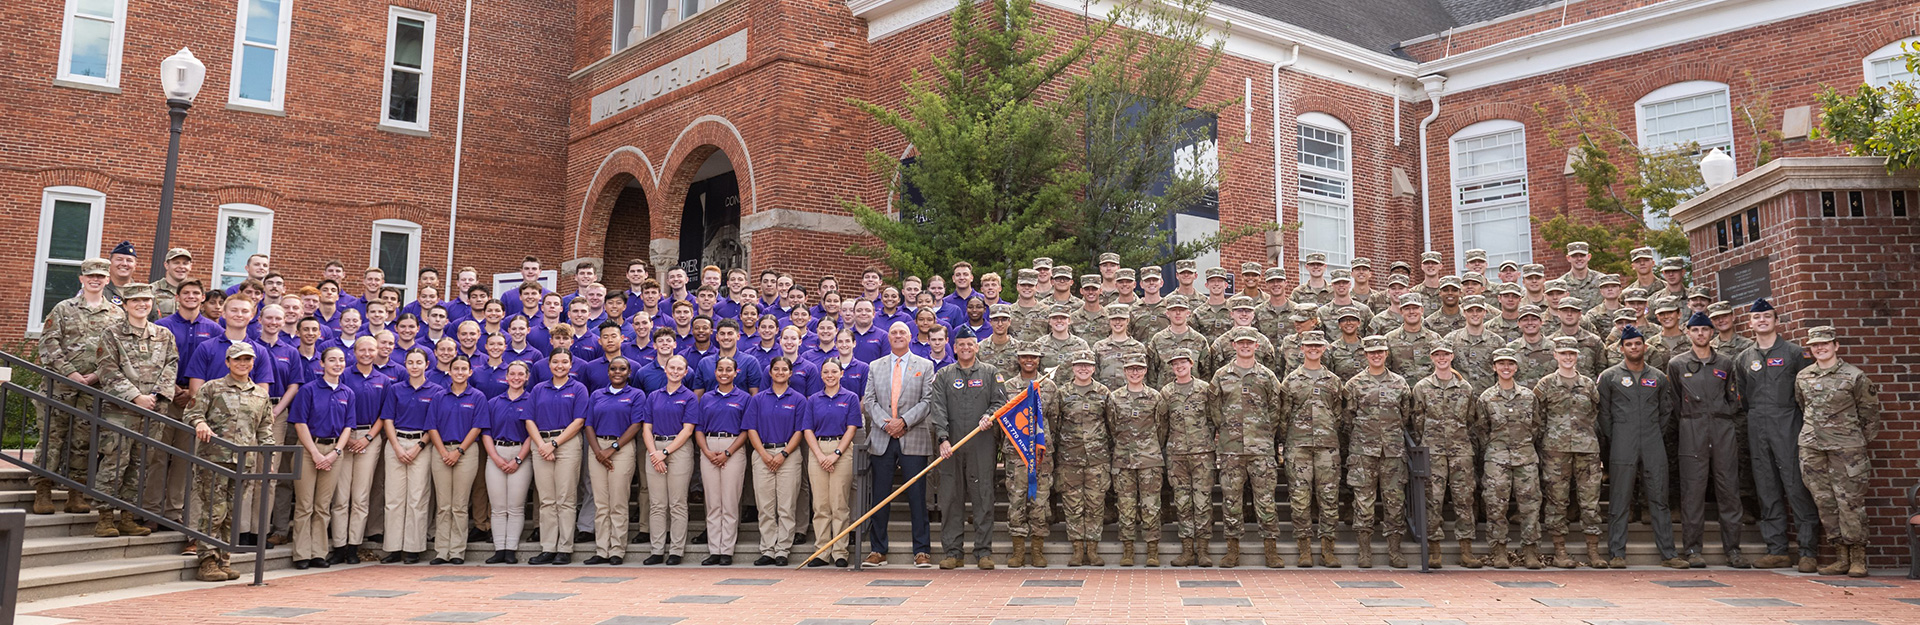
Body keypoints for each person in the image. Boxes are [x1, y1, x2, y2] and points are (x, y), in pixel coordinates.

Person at [1734, 298, 1819, 571]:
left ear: (1776, 321)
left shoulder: (1795, 353)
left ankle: (1807, 551)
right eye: (1757, 317)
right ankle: (1777, 549)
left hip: (1788, 423)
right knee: (1767, 488)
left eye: (1767, 316)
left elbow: (1807, 393)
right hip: (1757, 424)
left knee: (1796, 487)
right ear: (1750, 323)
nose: (1762, 321)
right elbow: (1743, 396)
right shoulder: (1744, 358)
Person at [1596, 326, 1689, 569]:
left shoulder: (1657, 377)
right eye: (1629, 344)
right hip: (1622, 442)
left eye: (1638, 343)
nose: (1634, 348)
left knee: (1659, 498)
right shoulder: (1610, 377)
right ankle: (1617, 553)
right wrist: (1616, 436)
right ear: (1621, 348)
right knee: (1619, 499)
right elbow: (1603, 415)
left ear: (1645, 346)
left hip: (1652, 441)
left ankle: (1669, 554)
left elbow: (1665, 411)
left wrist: (1651, 433)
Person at [34, 258, 121, 515]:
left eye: (101, 276)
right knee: (51, 437)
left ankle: (76, 493)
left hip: (93, 388)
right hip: (59, 386)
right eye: (90, 275)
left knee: (83, 442)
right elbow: (48, 344)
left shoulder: (116, 314)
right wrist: (70, 372)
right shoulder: (63, 309)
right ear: (81, 279)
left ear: (107, 280)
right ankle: (42, 490)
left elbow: (117, 353)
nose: (95, 279)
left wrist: (96, 375)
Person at [1794, 326, 1880, 578]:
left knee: (1850, 502)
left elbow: (1870, 414)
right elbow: (1802, 405)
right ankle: (1840, 556)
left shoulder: (1855, 376)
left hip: (1847, 449)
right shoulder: (1803, 376)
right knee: (1824, 501)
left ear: (1836, 345)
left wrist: (1854, 440)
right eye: (1815, 345)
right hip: (1812, 447)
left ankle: (1857, 557)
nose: (1820, 348)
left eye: (1825, 344)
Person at [185, 343, 274, 581]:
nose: (242, 364)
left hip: (244, 461)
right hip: (213, 459)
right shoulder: (211, 388)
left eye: (247, 360)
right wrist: (200, 423)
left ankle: (224, 560)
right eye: (237, 360)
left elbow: (265, 429)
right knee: (214, 510)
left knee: (233, 513)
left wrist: (269, 455)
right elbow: (192, 413)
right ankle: (207, 561)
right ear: (227, 362)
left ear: (253, 363)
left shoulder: (260, 394)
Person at [1667, 311, 1748, 568]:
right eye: (1695, 330)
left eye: (1705, 329)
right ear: (1688, 333)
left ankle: (1733, 549)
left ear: (1712, 333)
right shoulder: (1677, 364)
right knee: (1693, 491)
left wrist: (1721, 419)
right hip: (1692, 428)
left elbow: (1733, 398)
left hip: (1722, 429)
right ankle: (1692, 549)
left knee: (1729, 489)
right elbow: (1674, 402)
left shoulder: (1725, 363)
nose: (1700, 334)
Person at [92, 282, 171, 537]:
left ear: (152, 304)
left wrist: (156, 396)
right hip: (120, 410)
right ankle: (104, 518)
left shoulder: (163, 335)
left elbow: (171, 367)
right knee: (115, 462)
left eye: (146, 301)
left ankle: (127, 516)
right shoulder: (112, 333)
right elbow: (107, 369)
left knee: (141, 465)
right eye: (135, 301)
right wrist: (135, 396)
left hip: (152, 412)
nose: (141, 305)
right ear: (125, 305)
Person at [926, 325, 1007, 569]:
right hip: (951, 446)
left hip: (981, 444)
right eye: (961, 344)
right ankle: (953, 552)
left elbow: (1000, 402)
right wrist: (942, 438)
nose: (965, 348)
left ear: (977, 347)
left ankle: (983, 552)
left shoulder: (991, 373)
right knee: (951, 498)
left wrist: (990, 415)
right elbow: (937, 408)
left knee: (983, 496)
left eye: (970, 344)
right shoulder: (944, 375)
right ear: (954, 347)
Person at [859, 322, 937, 568]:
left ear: (910, 337)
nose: (898, 336)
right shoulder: (875, 366)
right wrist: (887, 424)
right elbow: (869, 400)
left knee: (917, 496)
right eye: (893, 332)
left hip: (913, 436)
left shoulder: (925, 366)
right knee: (880, 496)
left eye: (902, 332)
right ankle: (878, 549)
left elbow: (927, 401)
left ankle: (922, 550)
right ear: (888, 337)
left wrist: (903, 422)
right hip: (882, 439)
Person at [1211, 333, 1283, 568]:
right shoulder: (1221, 375)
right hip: (1231, 448)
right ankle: (1232, 550)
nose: (1244, 346)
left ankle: (1270, 550)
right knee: (1231, 500)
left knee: (1265, 499)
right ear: (1233, 345)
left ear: (1256, 346)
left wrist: (1262, 432)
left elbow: (1275, 409)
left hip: (1260, 447)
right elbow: (1215, 409)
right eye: (1240, 343)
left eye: (1249, 343)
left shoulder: (1267, 376)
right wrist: (1228, 430)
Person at [1409, 339, 1481, 568]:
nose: (1441, 358)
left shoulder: (1465, 388)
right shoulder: (1422, 387)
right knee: (1433, 499)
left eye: (1446, 355)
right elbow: (1417, 419)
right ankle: (1434, 549)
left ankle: (1466, 550)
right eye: (1437, 355)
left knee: (1464, 499)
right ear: (1431, 358)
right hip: (1434, 450)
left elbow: (1470, 419)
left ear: (1452, 357)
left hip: (1460, 450)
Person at [1535, 336, 1605, 568]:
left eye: (1572, 354)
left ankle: (1593, 551)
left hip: (1587, 449)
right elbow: (1537, 417)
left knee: (1590, 501)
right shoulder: (1545, 384)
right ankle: (1560, 551)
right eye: (1563, 353)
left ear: (1577, 356)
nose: (1567, 357)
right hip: (1555, 450)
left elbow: (1595, 413)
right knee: (1557, 500)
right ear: (1555, 355)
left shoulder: (1588, 384)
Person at [1344, 335, 1413, 568]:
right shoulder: (1354, 385)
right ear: (1365, 354)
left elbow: (1405, 415)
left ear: (1386, 354)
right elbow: (1348, 417)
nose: (1376, 355)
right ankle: (1365, 552)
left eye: (1380, 351)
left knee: (1395, 502)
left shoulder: (1400, 383)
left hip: (1392, 451)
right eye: (1372, 352)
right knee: (1363, 502)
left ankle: (1395, 550)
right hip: (1363, 451)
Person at [1279, 331, 1343, 568]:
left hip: (1327, 447)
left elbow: (1338, 413)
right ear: (1302, 349)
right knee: (1299, 499)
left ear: (1324, 349)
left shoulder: (1333, 381)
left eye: (1318, 346)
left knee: (1329, 499)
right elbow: (1283, 415)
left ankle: (1328, 549)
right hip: (1299, 447)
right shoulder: (1291, 381)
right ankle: (1304, 548)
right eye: (1309, 346)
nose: (1313, 349)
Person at [287, 346, 352, 569]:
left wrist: (335, 453)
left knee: (323, 506)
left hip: (334, 452)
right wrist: (314, 453)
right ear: (322, 364)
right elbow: (299, 422)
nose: (337, 364)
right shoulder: (309, 390)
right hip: (308, 450)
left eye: (341, 360)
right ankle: (301, 553)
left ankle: (318, 553)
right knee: (305, 505)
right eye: (332, 360)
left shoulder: (347, 393)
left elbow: (348, 427)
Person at [1479, 347, 1543, 569]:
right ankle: (1499, 550)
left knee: (1530, 505)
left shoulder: (1528, 396)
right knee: (1496, 504)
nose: (1506, 368)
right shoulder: (1486, 398)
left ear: (1516, 367)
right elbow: (1481, 428)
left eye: (1510, 363)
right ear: (1494, 367)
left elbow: (1536, 425)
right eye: (1501, 363)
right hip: (1497, 458)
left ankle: (1531, 550)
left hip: (1525, 457)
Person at [377, 349, 442, 563]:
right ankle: (394, 547)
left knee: (417, 497)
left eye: (419, 362)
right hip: (396, 442)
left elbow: (434, 424)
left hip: (421, 445)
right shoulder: (396, 389)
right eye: (411, 362)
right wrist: (396, 446)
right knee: (394, 498)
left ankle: (413, 548)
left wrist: (418, 447)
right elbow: (387, 419)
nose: (415, 366)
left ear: (427, 365)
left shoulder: (436, 391)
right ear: (405, 364)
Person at [527, 352, 588, 565]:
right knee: (546, 500)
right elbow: (529, 420)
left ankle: (564, 547)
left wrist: (555, 444)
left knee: (565, 498)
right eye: (555, 362)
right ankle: (548, 547)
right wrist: (543, 445)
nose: (559, 366)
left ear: (571, 364)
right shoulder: (538, 389)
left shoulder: (578, 389)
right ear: (549, 364)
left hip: (567, 443)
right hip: (541, 442)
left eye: (564, 362)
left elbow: (579, 421)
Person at [746, 357, 807, 566]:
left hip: (788, 454)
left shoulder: (798, 399)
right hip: (762, 452)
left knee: (786, 505)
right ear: (770, 373)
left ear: (791, 373)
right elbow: (751, 428)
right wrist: (763, 454)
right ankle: (768, 549)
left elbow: (800, 430)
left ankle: (783, 549)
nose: (780, 372)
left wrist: (784, 454)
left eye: (784, 369)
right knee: (765, 506)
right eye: (776, 369)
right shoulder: (758, 399)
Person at [583, 357, 644, 565]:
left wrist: (612, 449)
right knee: (601, 503)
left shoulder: (636, 395)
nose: (617, 372)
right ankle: (602, 549)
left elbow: (636, 424)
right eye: (613, 368)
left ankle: (617, 549)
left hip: (622, 448)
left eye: (622, 369)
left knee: (618, 501)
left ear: (629, 372)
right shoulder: (597, 394)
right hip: (597, 447)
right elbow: (588, 424)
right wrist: (599, 451)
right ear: (607, 372)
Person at [802, 359, 862, 567]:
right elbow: (807, 429)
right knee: (820, 504)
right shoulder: (813, 400)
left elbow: (852, 428)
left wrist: (836, 454)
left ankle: (840, 551)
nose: (830, 375)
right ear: (821, 375)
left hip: (841, 450)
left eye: (834, 371)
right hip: (817, 449)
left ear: (841, 374)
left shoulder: (850, 397)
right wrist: (819, 455)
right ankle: (822, 551)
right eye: (826, 372)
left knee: (839, 503)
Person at [1106, 356, 1165, 566]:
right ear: (1124, 371)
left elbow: (1161, 427)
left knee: (1151, 506)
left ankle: (1152, 550)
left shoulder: (1155, 397)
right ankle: (1128, 550)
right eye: (1130, 369)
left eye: (1139, 369)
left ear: (1145, 371)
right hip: (1123, 459)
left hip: (1150, 459)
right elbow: (1112, 427)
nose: (1134, 373)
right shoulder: (1114, 398)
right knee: (1126, 506)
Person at [427, 357, 485, 565]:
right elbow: (432, 426)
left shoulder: (477, 396)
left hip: (466, 452)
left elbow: (477, 426)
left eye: (464, 369)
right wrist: (444, 451)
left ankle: (457, 551)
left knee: (460, 504)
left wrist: (459, 451)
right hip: (441, 451)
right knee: (444, 505)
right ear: (449, 372)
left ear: (470, 372)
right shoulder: (439, 396)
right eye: (455, 369)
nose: (459, 372)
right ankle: (442, 550)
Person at [1054, 351, 1111, 566]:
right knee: (1073, 505)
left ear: (1094, 368)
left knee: (1095, 505)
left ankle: (1093, 549)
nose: (1083, 369)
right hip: (1070, 458)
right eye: (1079, 365)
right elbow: (1056, 424)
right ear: (1072, 368)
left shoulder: (1103, 393)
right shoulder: (1062, 393)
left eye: (1087, 365)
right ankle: (1077, 549)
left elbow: (1111, 424)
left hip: (1097, 459)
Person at [642, 355, 699, 565]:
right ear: (665, 370)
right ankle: (657, 550)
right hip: (654, 448)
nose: (675, 371)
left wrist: (664, 453)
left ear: (685, 373)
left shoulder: (690, 397)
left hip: (679, 450)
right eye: (671, 367)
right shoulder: (653, 396)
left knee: (677, 502)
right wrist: (654, 453)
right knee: (657, 503)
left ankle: (676, 550)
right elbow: (646, 427)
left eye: (680, 369)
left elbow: (688, 429)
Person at [693, 358, 748, 565]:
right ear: (715, 372)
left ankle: (727, 550)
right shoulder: (706, 398)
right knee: (713, 502)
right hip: (708, 445)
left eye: (728, 370)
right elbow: (698, 428)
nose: (724, 373)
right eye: (720, 369)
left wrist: (728, 452)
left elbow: (746, 430)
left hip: (732, 446)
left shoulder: (743, 398)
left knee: (730, 501)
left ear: (736, 372)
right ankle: (714, 549)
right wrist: (706, 451)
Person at [482, 361, 535, 564]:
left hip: (520, 453)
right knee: (498, 506)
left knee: (515, 505)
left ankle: (511, 548)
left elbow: (532, 433)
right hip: (495, 452)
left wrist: (519, 458)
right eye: (512, 373)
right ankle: (499, 548)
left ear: (527, 377)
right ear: (506, 376)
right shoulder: (494, 402)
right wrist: (495, 457)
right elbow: (485, 431)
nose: (516, 377)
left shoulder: (531, 400)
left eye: (520, 374)